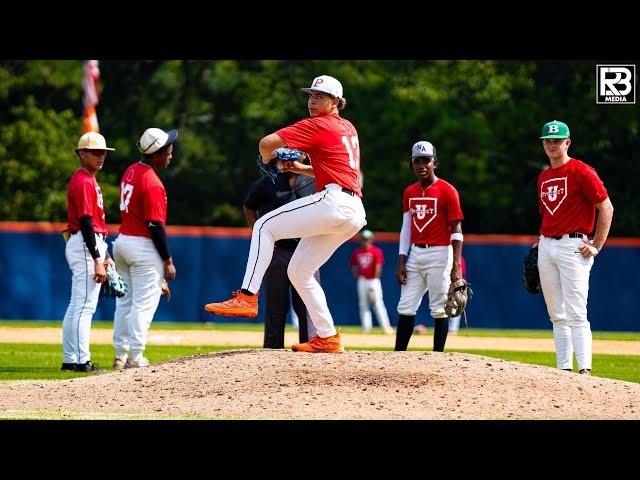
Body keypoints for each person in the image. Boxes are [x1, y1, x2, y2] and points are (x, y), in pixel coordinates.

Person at [205, 74, 367, 354]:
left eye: (320, 97)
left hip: (334, 202)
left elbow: (266, 143)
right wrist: (300, 168)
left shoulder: (319, 124)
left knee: (264, 226)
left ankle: (246, 296)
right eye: (311, 95)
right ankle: (327, 336)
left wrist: (269, 155)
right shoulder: (347, 128)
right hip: (353, 210)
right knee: (300, 271)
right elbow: (332, 170)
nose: (312, 101)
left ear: (336, 102)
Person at [535, 120, 613, 375]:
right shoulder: (544, 177)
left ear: (567, 143)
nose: (552, 144)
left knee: (577, 312)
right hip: (548, 245)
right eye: (548, 140)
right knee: (556, 314)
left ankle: (585, 370)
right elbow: (547, 214)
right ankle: (563, 370)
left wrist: (597, 245)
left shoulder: (581, 171)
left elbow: (606, 207)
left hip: (574, 245)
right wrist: (541, 242)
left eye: (557, 140)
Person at [112, 127, 178, 369]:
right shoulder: (152, 182)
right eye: (168, 151)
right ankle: (136, 356)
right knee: (143, 303)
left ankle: (120, 354)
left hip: (122, 243)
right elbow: (155, 227)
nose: (171, 155)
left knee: (126, 301)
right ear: (156, 154)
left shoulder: (131, 170)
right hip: (142, 245)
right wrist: (167, 261)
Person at [394, 141, 464, 352]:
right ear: (412, 163)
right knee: (405, 306)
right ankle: (398, 357)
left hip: (440, 252)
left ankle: (437, 358)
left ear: (435, 163)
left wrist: (456, 264)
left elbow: (457, 230)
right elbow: (406, 228)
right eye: (417, 161)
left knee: (439, 308)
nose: (422, 165)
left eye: (426, 160)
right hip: (416, 252)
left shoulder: (447, 191)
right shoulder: (409, 192)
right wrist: (401, 260)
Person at [242, 169, 319, 348]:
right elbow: (249, 205)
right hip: (278, 251)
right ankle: (272, 351)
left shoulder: (314, 180)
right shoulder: (271, 180)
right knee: (275, 305)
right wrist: (259, 235)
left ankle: (310, 348)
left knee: (307, 305)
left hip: (306, 249)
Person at [62, 131, 116, 372]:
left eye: (103, 152)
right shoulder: (83, 180)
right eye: (95, 152)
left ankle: (71, 358)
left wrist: (105, 255)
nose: (101, 156)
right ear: (81, 154)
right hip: (86, 244)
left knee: (78, 305)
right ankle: (81, 360)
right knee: (84, 306)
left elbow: (92, 224)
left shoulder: (87, 179)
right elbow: (85, 222)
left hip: (89, 243)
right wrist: (97, 257)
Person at [349, 229, 393, 334]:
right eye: (364, 239)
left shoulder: (376, 251)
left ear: (371, 239)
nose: (365, 241)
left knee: (378, 304)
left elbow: (378, 266)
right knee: (363, 305)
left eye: (367, 239)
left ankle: (386, 328)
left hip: (373, 281)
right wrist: (357, 275)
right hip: (363, 280)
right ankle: (367, 328)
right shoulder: (357, 252)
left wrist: (374, 280)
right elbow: (353, 265)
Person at [448, 254, 467, 334]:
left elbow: (462, 275)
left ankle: (452, 330)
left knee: (455, 306)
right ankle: (450, 330)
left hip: (456, 284)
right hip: (446, 283)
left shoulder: (459, 258)